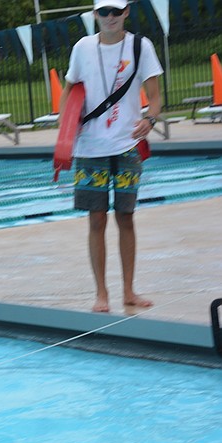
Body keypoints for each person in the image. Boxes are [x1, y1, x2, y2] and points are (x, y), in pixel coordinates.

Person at [58, 0, 163, 313]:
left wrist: (150, 119)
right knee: (96, 220)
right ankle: (101, 293)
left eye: (116, 11)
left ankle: (129, 291)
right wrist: (66, 128)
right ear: (95, 15)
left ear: (127, 12)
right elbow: (68, 90)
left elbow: (155, 98)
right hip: (89, 148)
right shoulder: (82, 48)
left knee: (126, 218)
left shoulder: (141, 47)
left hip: (127, 146)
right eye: (104, 12)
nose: (110, 17)